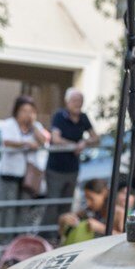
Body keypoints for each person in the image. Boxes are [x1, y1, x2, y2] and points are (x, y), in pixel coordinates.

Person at [45, 88, 99, 220]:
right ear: (67, 101)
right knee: (53, 203)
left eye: (80, 101)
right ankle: (47, 234)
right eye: (74, 100)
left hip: (73, 168)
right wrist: (73, 145)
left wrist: (84, 142)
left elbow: (96, 138)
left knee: (66, 203)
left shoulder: (83, 117)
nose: (78, 104)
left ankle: (61, 234)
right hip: (56, 168)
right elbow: (55, 139)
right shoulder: (59, 116)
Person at [0, 95, 50, 233]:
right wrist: (26, 144)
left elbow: (43, 141)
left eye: (30, 111)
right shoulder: (9, 124)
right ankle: (6, 240)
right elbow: (7, 141)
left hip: (29, 175)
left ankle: (20, 239)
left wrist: (32, 124)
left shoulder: (35, 126)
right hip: (11, 172)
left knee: (24, 208)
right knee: (9, 208)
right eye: (24, 110)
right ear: (17, 111)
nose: (27, 114)